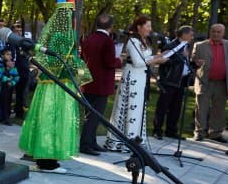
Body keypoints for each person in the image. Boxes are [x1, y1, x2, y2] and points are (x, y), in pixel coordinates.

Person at [19, 0, 91, 173]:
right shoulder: (63, 38)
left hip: (48, 86)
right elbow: (63, 63)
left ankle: (44, 159)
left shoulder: (53, 35)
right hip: (57, 87)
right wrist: (81, 70)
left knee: (45, 120)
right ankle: (48, 161)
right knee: (53, 121)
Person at [104, 16, 169, 152]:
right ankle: (123, 142)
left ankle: (136, 139)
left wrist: (159, 56)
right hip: (132, 76)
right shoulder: (133, 41)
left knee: (138, 108)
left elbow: (145, 58)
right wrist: (157, 60)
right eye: (148, 26)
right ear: (139, 27)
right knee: (129, 107)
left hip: (141, 77)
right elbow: (138, 62)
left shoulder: (144, 41)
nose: (150, 29)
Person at [79, 14, 123, 155]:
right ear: (111, 26)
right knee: (94, 116)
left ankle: (91, 142)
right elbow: (109, 62)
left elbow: (82, 58)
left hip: (88, 82)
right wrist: (119, 60)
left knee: (89, 114)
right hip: (101, 83)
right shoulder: (108, 41)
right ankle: (85, 144)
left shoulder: (89, 38)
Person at [190, 23, 228, 142]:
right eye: (214, 31)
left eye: (219, 32)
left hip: (222, 83)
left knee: (219, 109)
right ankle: (199, 133)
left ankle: (215, 134)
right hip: (205, 82)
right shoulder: (200, 45)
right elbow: (192, 61)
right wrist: (196, 62)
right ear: (210, 32)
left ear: (223, 33)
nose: (216, 34)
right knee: (201, 108)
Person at [152, 26, 194, 140]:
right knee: (163, 106)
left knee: (176, 107)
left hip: (181, 81)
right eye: (190, 34)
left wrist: (194, 65)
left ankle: (171, 130)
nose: (192, 37)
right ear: (184, 34)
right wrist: (181, 56)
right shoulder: (171, 46)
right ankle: (157, 130)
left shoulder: (187, 46)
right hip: (169, 80)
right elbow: (164, 62)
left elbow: (185, 63)